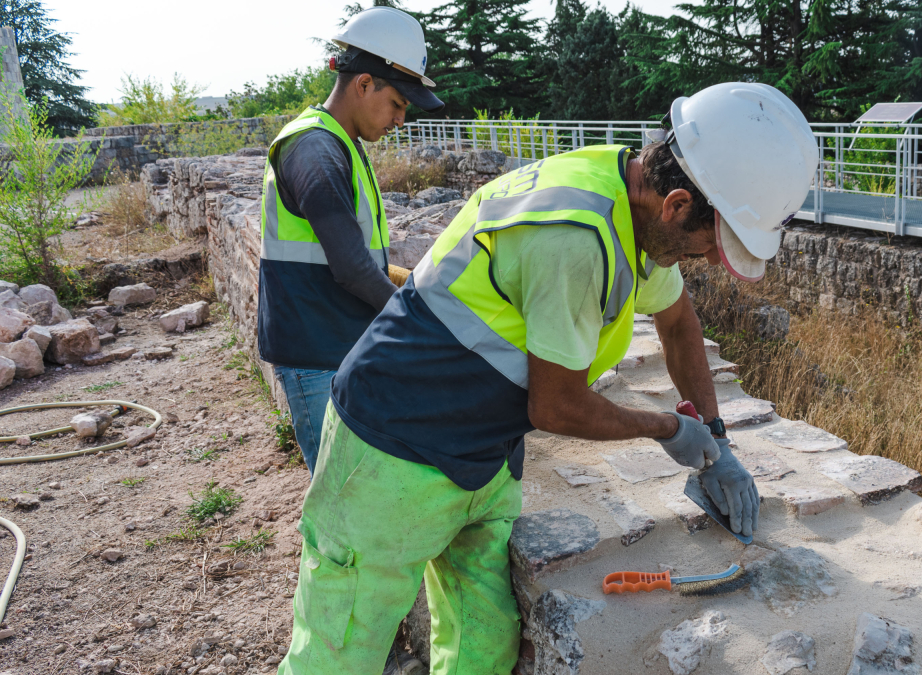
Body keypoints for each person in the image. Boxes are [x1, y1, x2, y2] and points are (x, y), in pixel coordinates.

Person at [278, 82, 819, 675]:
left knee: (480, 642)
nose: (713, 259)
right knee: (339, 647)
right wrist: (669, 428)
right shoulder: (575, 236)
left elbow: (679, 327)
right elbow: (556, 406)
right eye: (712, 245)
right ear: (678, 204)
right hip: (394, 446)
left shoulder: (632, 205)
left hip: (480, 450)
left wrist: (717, 439)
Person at [257, 6, 445, 475]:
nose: (400, 119)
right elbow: (353, 269)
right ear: (364, 84)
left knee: (360, 491)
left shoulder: (339, 143)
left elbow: (362, 257)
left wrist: (416, 283)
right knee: (338, 498)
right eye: (398, 104)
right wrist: (421, 321)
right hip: (316, 354)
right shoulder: (315, 151)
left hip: (339, 344)